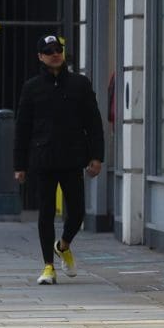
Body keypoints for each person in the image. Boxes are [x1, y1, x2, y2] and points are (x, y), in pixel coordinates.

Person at [14, 32, 103, 285]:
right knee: (45, 213)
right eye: (50, 51)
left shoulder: (80, 84)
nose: (55, 55)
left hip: (73, 159)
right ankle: (48, 266)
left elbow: (93, 122)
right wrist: (19, 165)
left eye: (58, 50)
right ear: (41, 57)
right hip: (42, 160)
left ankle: (63, 245)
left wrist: (96, 156)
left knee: (77, 212)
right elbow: (23, 127)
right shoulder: (32, 88)